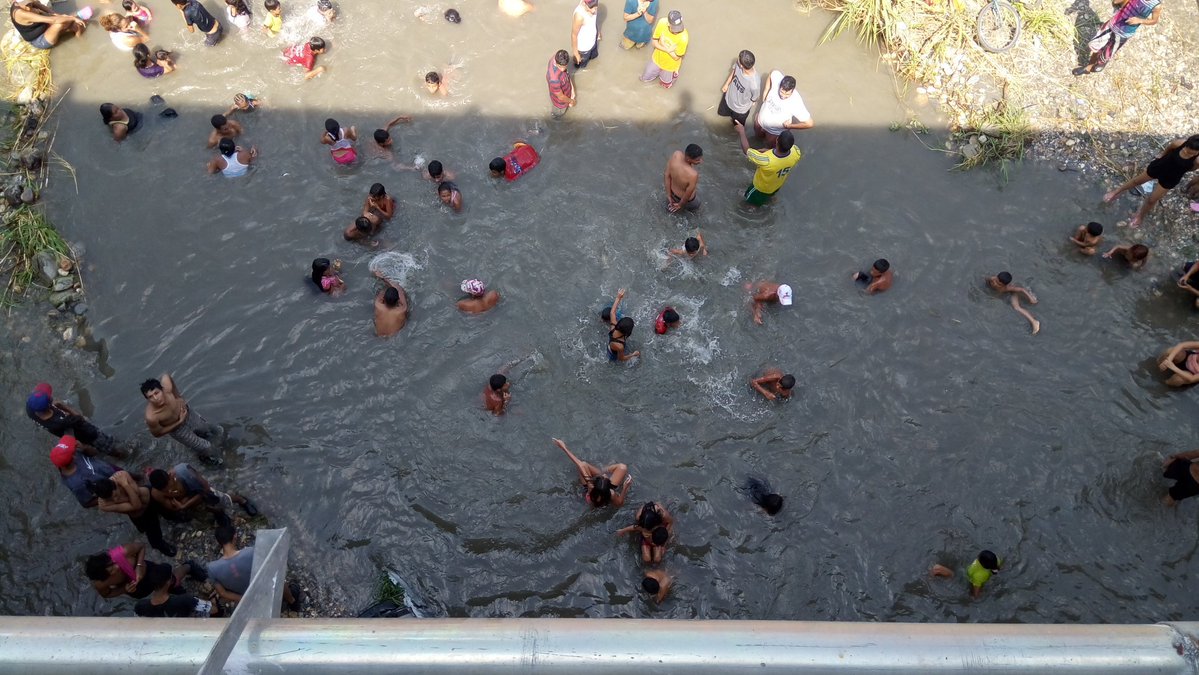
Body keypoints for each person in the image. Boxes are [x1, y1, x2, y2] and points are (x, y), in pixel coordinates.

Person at [1103, 136, 1199, 228]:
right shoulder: (1179, 143)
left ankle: (1140, 216)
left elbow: (1191, 168)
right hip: (1160, 166)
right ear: (1186, 144)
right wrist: (1162, 155)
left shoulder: (1197, 160)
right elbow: (1169, 148)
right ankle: (1116, 192)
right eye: (1186, 150)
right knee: (1136, 181)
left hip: (1171, 177)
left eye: (1191, 153)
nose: (1187, 153)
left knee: (1152, 200)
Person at [208, 524, 305, 612]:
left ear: (219, 542)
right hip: (265, 587)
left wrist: (244, 599)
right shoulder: (251, 552)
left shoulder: (212, 568)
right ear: (235, 537)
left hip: (249, 597)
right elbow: (272, 569)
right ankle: (292, 602)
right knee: (278, 579)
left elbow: (223, 593)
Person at [27, 382, 127, 458]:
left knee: (87, 447)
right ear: (49, 406)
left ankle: (93, 451)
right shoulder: (62, 422)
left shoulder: (30, 410)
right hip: (89, 434)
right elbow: (81, 418)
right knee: (110, 448)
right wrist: (63, 406)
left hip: (72, 436)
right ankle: (123, 456)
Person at [142, 373, 224, 465]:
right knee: (206, 447)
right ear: (147, 399)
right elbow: (157, 433)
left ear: (162, 389)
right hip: (178, 430)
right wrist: (179, 422)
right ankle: (207, 459)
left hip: (188, 414)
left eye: (156, 393)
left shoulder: (167, 388)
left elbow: (166, 375)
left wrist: (179, 397)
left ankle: (219, 446)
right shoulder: (152, 416)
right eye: (150, 397)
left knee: (211, 430)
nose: (156, 398)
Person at [91, 470, 177, 556]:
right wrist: (126, 485)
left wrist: (125, 486)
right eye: (111, 500)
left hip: (150, 498)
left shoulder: (121, 475)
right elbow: (137, 505)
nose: (115, 500)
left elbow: (137, 492)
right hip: (140, 515)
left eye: (115, 496)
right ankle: (165, 548)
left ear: (116, 486)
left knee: (169, 513)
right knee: (155, 540)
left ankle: (175, 518)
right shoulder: (103, 505)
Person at [85, 541, 203, 599]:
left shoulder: (123, 553)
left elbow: (141, 545)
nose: (116, 568)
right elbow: (108, 594)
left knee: (172, 581)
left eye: (113, 565)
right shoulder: (101, 584)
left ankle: (189, 566)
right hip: (136, 588)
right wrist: (123, 590)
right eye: (111, 572)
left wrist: (139, 566)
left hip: (148, 571)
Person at [1074, 0, 1161, 76]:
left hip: (1123, 33)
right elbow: (1116, 2)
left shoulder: (1156, 5)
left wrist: (1140, 20)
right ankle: (1088, 68)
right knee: (1096, 46)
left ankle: (1094, 67)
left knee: (1100, 64)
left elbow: (1154, 20)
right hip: (1112, 24)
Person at [149, 463, 258, 520]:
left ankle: (241, 500)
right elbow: (171, 507)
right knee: (206, 508)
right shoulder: (156, 492)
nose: (168, 490)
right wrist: (183, 504)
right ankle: (218, 514)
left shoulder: (185, 472)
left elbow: (205, 488)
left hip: (198, 491)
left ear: (170, 476)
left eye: (168, 486)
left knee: (217, 498)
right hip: (188, 499)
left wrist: (184, 505)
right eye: (165, 490)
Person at [734, 123, 801, 207]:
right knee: (770, 194)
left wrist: (742, 131)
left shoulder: (766, 160)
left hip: (760, 189)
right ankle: (770, 199)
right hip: (777, 185)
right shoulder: (796, 152)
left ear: (777, 140)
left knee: (749, 202)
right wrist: (768, 151)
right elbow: (782, 152)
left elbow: (746, 150)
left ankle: (752, 206)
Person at [553, 437, 632, 508]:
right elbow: (619, 504)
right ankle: (604, 468)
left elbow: (579, 464)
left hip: (595, 492)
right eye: (605, 477)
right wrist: (625, 488)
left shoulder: (591, 485)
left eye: (602, 477)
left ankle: (603, 469)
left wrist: (563, 447)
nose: (605, 475)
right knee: (622, 467)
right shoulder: (611, 494)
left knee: (583, 464)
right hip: (600, 493)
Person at [52, 435, 119, 508]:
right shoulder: (77, 484)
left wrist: (85, 448)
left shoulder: (68, 459)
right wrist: (108, 497)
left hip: (108, 468)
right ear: (73, 456)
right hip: (111, 483)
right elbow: (86, 503)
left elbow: (94, 453)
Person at [134, 563, 219, 618]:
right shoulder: (185, 599)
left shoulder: (139, 607)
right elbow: (214, 610)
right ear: (169, 581)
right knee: (217, 608)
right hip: (191, 622)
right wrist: (213, 601)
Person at [755, 71, 813, 144]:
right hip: (760, 121)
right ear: (780, 86)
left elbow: (809, 123)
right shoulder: (777, 79)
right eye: (782, 92)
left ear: (792, 91)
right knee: (757, 138)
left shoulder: (796, 102)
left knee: (769, 146)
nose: (783, 96)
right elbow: (771, 73)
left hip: (774, 132)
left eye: (787, 94)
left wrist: (790, 126)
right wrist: (765, 92)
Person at [9, 0, 86, 50]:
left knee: (75, 25)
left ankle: (81, 41)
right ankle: (80, 42)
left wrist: (57, 14)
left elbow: (42, 7)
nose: (28, 5)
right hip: (39, 39)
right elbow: (53, 20)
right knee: (60, 24)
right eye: (25, 4)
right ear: (18, 3)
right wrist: (72, 18)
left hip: (44, 27)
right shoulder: (21, 13)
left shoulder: (23, 2)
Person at [640, 10, 687, 88]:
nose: (677, 31)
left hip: (670, 66)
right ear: (668, 23)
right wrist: (668, 49)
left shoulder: (684, 37)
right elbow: (654, 43)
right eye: (674, 28)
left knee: (665, 86)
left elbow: (676, 57)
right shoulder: (662, 23)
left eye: (678, 27)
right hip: (657, 59)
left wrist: (663, 44)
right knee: (644, 78)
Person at [931, 550, 1002, 598]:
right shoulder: (997, 560)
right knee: (952, 576)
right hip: (968, 576)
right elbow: (976, 595)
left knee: (953, 576)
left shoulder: (979, 576)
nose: (977, 557)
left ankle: (939, 569)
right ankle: (938, 569)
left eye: (979, 557)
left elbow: (976, 594)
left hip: (967, 575)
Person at [718, 50, 760, 127]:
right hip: (727, 98)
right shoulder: (739, 64)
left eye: (738, 59)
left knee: (737, 127)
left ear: (742, 66)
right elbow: (734, 72)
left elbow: (755, 98)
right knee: (720, 117)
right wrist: (726, 84)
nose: (737, 59)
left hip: (740, 111)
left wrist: (752, 102)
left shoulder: (754, 84)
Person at [664, 144, 702, 213]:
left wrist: (668, 195)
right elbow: (688, 194)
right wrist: (680, 205)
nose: (700, 161)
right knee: (696, 210)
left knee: (670, 212)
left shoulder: (676, 155)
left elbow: (667, 175)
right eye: (697, 160)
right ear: (688, 159)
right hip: (688, 202)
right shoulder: (693, 174)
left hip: (672, 196)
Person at [605, 288, 641, 361]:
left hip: (612, 344)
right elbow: (621, 359)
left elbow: (612, 312)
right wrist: (633, 354)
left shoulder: (614, 326)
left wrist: (618, 297)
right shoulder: (620, 346)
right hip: (613, 355)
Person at [373, 272, 409, 337]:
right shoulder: (402, 309)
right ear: (398, 300)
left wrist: (382, 278)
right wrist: (388, 280)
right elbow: (400, 290)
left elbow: (381, 294)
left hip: (378, 335)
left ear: (383, 299)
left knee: (380, 289)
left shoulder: (378, 304)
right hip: (393, 338)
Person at [546, 49, 576, 118]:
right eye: (560, 66)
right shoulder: (554, 79)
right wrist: (571, 101)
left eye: (565, 66)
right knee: (558, 115)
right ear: (556, 62)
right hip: (560, 104)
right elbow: (561, 97)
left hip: (566, 92)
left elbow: (567, 74)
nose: (562, 69)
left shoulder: (557, 58)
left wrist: (572, 89)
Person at [570, 0, 599, 69]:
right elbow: (574, 35)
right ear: (583, 3)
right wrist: (576, 53)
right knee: (582, 65)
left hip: (593, 40)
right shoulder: (579, 17)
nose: (593, 11)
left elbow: (593, 21)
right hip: (584, 48)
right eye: (590, 8)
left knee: (594, 57)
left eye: (595, 8)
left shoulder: (594, 3)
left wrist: (598, 31)